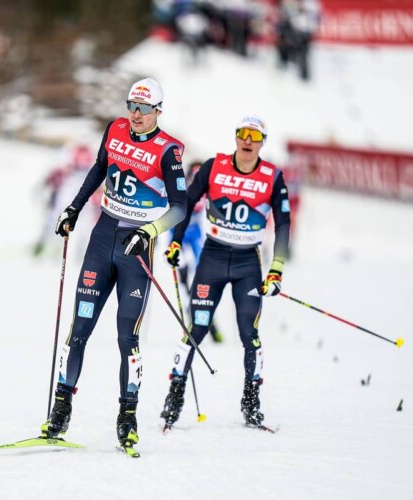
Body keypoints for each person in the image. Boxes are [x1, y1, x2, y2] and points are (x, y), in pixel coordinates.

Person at [41, 78, 188, 453]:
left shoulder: (168, 151)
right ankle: (61, 408)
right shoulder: (115, 130)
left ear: (158, 111)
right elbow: (98, 168)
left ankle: (128, 416)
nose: (136, 115)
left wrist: (150, 231)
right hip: (102, 235)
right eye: (132, 106)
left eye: (144, 109)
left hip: (136, 248)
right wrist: (73, 208)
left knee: (128, 336)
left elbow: (180, 207)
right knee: (80, 327)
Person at [161, 115, 290, 429]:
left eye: (254, 136)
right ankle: (174, 395)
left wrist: (276, 270)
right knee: (197, 328)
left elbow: (284, 223)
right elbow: (186, 203)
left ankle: (251, 401)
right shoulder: (213, 167)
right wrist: (175, 243)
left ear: (262, 142)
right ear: (235, 138)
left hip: (248, 263)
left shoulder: (272, 176)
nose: (248, 140)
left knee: (249, 333)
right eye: (243, 134)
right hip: (213, 258)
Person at [171, 160, 223, 343]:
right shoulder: (181, 188)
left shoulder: (207, 190)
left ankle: (208, 319)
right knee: (185, 277)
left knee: (205, 274)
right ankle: (192, 318)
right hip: (178, 236)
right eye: (194, 174)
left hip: (195, 235)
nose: (197, 178)